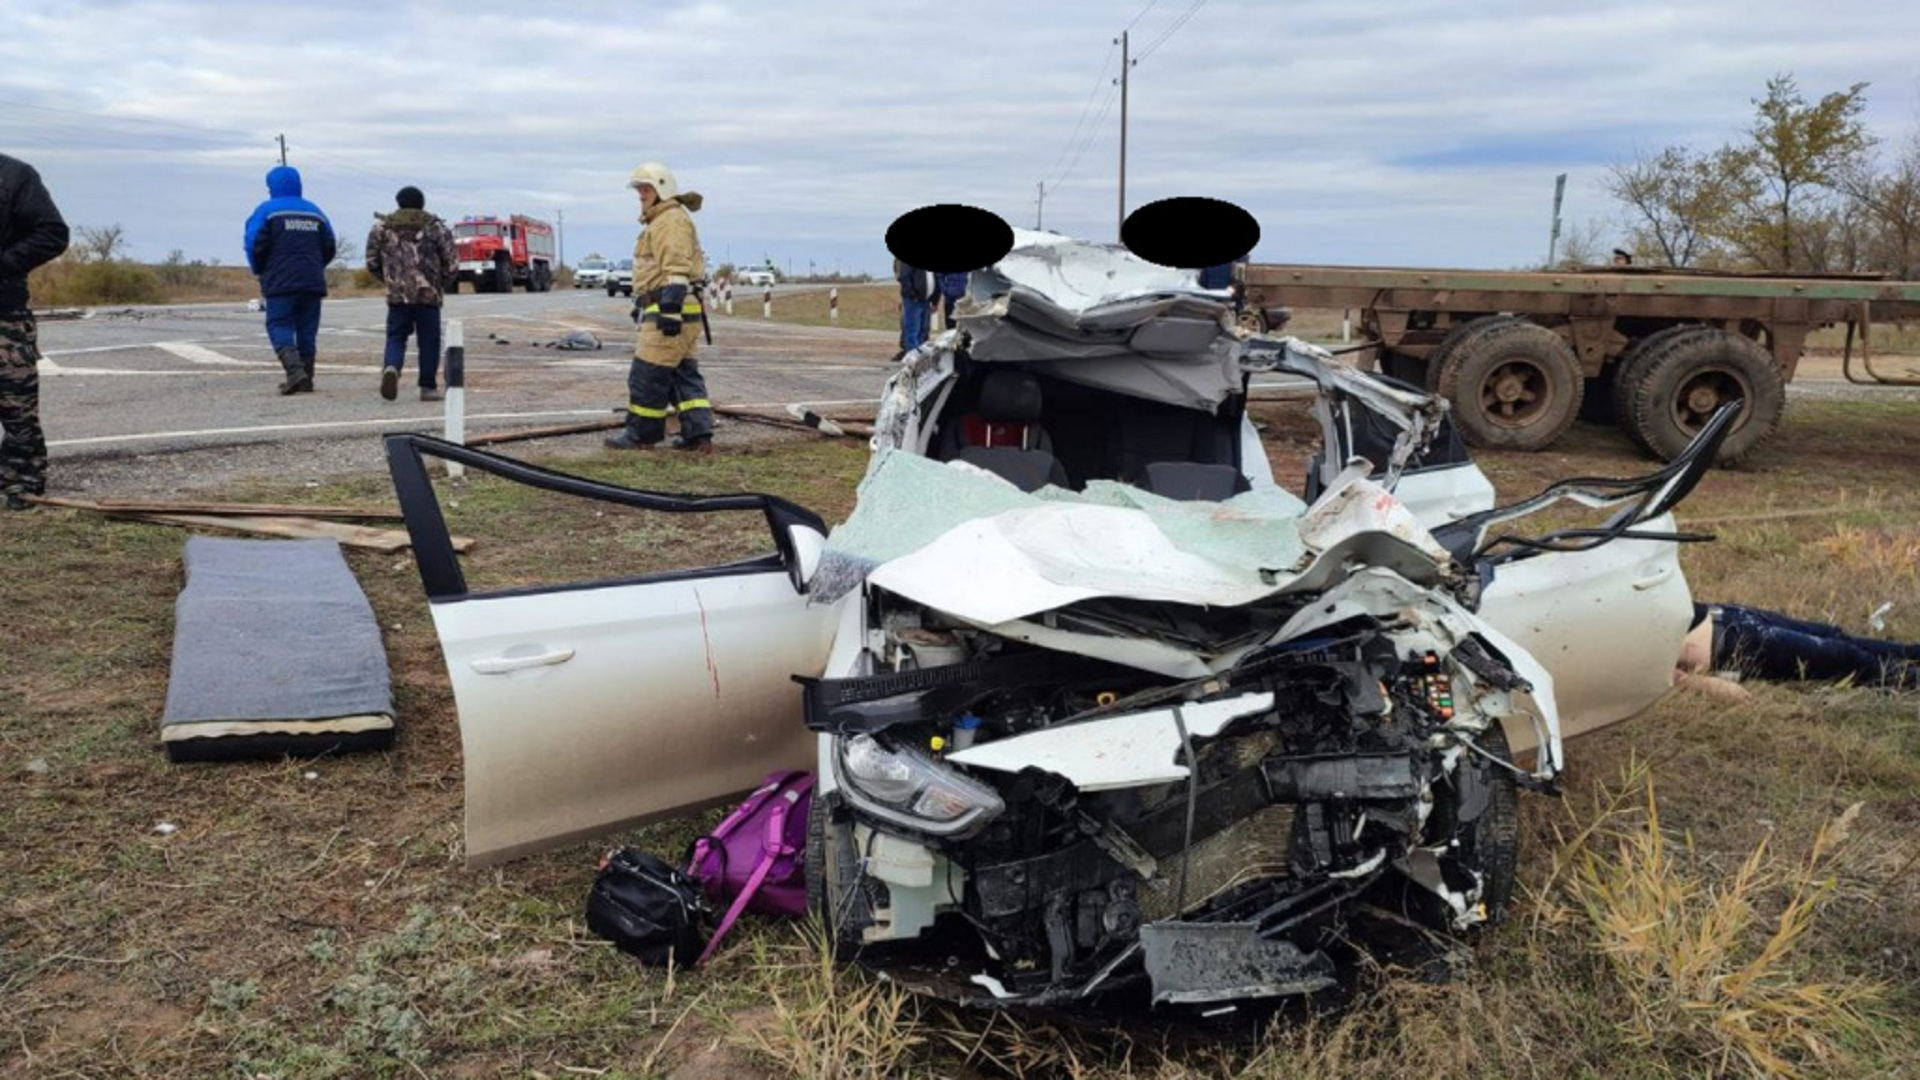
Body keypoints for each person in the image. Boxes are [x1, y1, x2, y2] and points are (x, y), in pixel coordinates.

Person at [605, 162, 714, 454]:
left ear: (662, 189)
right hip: (681, 309)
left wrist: (668, 309)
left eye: (646, 188)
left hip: (673, 308)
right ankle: (698, 434)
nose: (641, 195)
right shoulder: (666, 219)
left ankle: (641, 436)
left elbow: (675, 267)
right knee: (682, 374)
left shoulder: (669, 220)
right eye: (639, 189)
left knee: (647, 375)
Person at [0, 154, 71, 512]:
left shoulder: (15, 175)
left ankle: (22, 482)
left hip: (5, 314)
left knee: (16, 407)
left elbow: (53, 233)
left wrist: (6, 263)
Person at [1675, 602, 1919, 695]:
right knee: (1845, 658)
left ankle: (1913, 654)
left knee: (1835, 637)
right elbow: (1642, 668)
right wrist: (1698, 683)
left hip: (1726, 614)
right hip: (1731, 645)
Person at [243, 165, 336, 395]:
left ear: (271, 186)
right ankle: (307, 376)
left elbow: (254, 244)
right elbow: (330, 245)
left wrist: (260, 269)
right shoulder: (315, 211)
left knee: (279, 324)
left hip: (281, 281)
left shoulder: (266, 211)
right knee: (307, 329)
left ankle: (295, 373)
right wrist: (314, 265)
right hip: (312, 280)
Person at [366, 186, 457, 402]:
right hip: (428, 294)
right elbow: (452, 264)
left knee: (396, 336)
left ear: (398, 203)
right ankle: (427, 386)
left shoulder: (381, 228)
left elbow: (372, 262)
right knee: (429, 341)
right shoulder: (436, 227)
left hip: (398, 295)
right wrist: (440, 283)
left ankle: (392, 366)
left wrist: (389, 280)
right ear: (422, 203)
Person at [897, 259, 932, 353]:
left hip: (926, 299)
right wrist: (912, 295)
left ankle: (920, 354)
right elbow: (904, 277)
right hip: (914, 300)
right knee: (913, 329)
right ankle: (912, 355)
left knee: (923, 329)